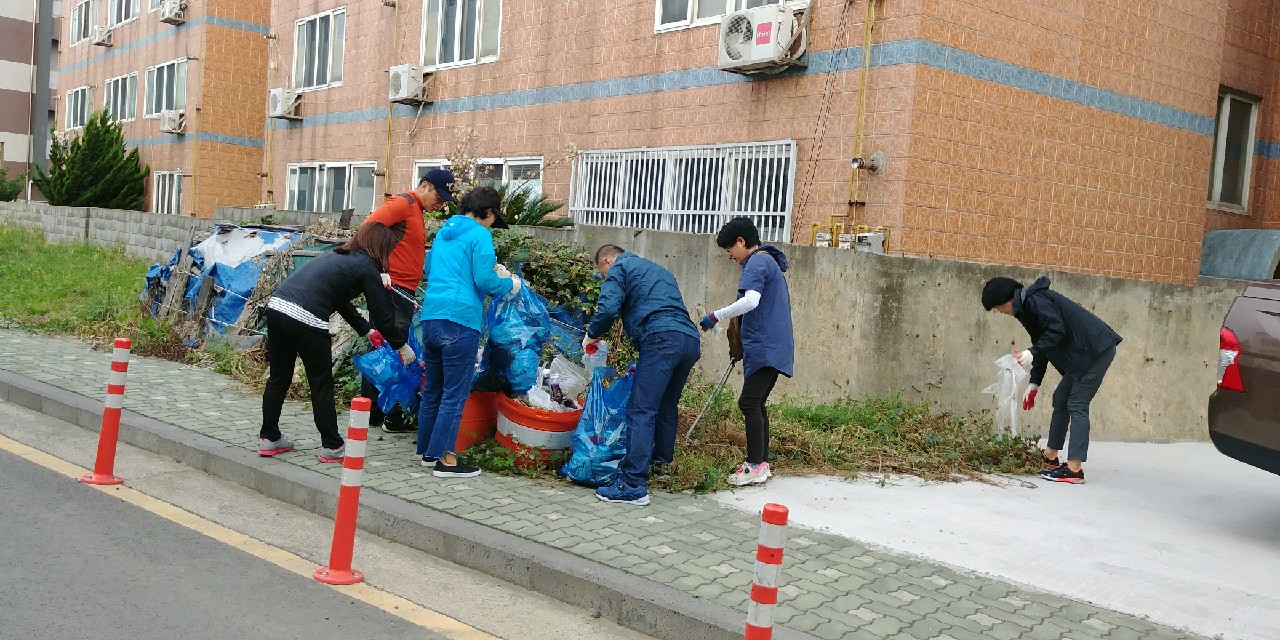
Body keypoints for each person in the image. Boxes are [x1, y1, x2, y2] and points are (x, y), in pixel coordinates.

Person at [258, 223, 412, 462]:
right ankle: (332, 446)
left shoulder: (339, 258)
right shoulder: (367, 268)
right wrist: (401, 345)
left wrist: (367, 330)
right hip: (306, 315)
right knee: (321, 382)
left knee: (279, 377)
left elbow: (339, 300)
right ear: (382, 248)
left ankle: (269, 437)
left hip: (277, 307)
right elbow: (383, 315)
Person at [585, 245, 701, 506]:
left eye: (602, 274)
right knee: (665, 405)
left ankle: (633, 484)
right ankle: (661, 463)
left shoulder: (620, 267)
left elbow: (607, 309)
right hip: (689, 340)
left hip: (661, 338)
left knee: (641, 409)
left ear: (606, 260)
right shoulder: (660, 271)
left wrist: (591, 334)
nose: (605, 278)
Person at [416, 186, 517, 478]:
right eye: (492, 219)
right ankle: (446, 461)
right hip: (460, 321)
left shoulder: (443, 233)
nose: (491, 226)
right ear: (487, 213)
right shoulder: (480, 235)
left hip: (432, 318)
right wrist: (509, 284)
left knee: (433, 389)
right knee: (454, 393)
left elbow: (429, 268)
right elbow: (484, 280)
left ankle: (427, 452)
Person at [981, 276, 1122, 484]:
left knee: (1077, 404)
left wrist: (1033, 352)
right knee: (1061, 399)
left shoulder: (1036, 301)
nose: (1000, 312)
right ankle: (1051, 456)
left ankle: (1074, 469)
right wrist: (1034, 382)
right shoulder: (1025, 308)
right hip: (1084, 353)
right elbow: (1044, 344)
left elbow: (1056, 330)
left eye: (998, 307)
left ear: (1007, 299)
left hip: (1096, 350)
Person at [358, 169, 456, 434]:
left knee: (381, 347)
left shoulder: (417, 213)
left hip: (402, 290)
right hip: (393, 289)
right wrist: (377, 268)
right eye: (439, 195)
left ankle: (372, 412)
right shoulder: (404, 204)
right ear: (424, 185)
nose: (441, 203)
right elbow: (367, 228)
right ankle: (390, 416)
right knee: (393, 349)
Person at [699, 218, 794, 487]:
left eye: (730, 249)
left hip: (766, 347)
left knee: (748, 402)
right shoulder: (768, 261)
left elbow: (751, 301)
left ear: (741, 242)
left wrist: (715, 316)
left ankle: (754, 465)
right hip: (772, 346)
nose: (730, 255)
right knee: (756, 402)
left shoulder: (757, 262)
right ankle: (760, 464)